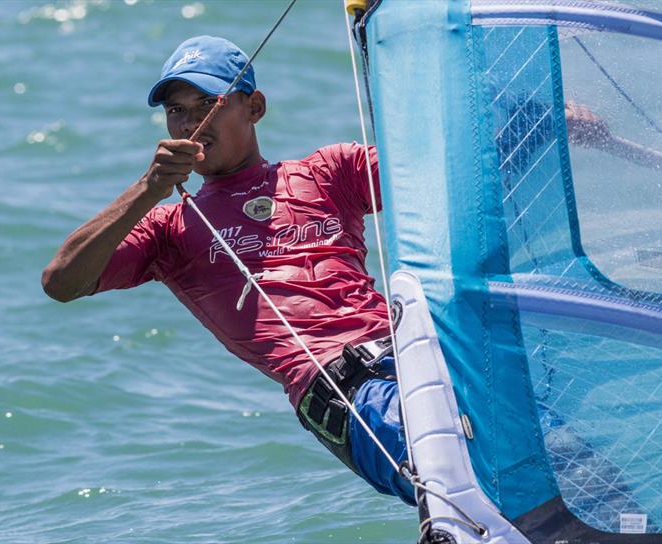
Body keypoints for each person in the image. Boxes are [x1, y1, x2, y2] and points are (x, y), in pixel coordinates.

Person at [42, 35, 415, 505]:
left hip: (417, 352)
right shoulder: (169, 228)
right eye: (177, 110)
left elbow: (441, 173)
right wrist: (147, 189)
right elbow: (61, 282)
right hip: (345, 392)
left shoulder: (329, 172)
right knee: (451, 476)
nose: (191, 122)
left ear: (254, 107)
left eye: (207, 103)